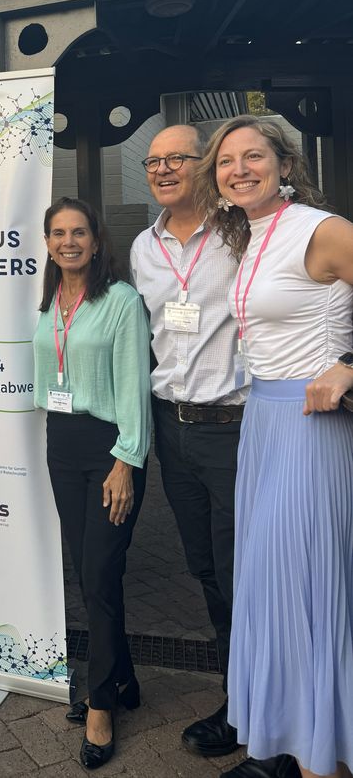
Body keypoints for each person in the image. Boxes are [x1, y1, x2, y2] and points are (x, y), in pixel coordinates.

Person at [129, 125, 293, 778]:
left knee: (254, 575)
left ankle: (280, 733)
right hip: (175, 428)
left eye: (180, 157)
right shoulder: (144, 247)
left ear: (205, 165)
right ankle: (240, 701)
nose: (166, 168)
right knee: (208, 572)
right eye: (154, 160)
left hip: (238, 426)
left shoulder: (246, 230)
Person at [195, 116, 353, 778]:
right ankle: (297, 743)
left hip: (312, 427)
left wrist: (349, 364)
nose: (239, 168)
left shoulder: (322, 228)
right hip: (265, 420)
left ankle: (325, 756)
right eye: (226, 161)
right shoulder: (248, 233)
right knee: (270, 588)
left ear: (284, 163)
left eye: (253, 155)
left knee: (307, 591)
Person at [33, 197, 151, 771]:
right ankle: (124, 678)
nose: (68, 241)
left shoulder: (121, 301)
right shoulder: (49, 301)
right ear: (48, 242)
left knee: (100, 575)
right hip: (62, 443)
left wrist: (126, 460)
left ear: (96, 241)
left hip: (109, 450)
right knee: (89, 572)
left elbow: (134, 386)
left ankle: (102, 703)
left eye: (78, 232)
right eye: (58, 233)